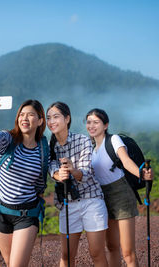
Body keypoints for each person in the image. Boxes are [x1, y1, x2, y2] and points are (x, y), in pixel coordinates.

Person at [0, 95, 48, 267]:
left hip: (26, 215)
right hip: (2, 212)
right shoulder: (9, 140)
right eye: (22, 114)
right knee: (10, 263)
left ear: (40, 121)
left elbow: (49, 172)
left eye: (31, 115)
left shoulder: (44, 150)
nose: (25, 118)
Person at [85, 108, 153, 267]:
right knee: (112, 247)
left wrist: (141, 174)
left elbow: (126, 160)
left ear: (105, 125)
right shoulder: (91, 148)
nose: (91, 126)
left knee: (128, 252)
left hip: (121, 195)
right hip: (102, 198)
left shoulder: (114, 140)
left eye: (96, 122)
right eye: (89, 122)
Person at [47, 101, 109, 267]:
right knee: (67, 255)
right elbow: (51, 169)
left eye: (56, 117)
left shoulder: (82, 140)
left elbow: (87, 172)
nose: (51, 121)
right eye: (48, 118)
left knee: (96, 253)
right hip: (68, 203)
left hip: (91, 200)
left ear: (67, 119)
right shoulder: (49, 147)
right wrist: (57, 174)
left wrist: (72, 170)